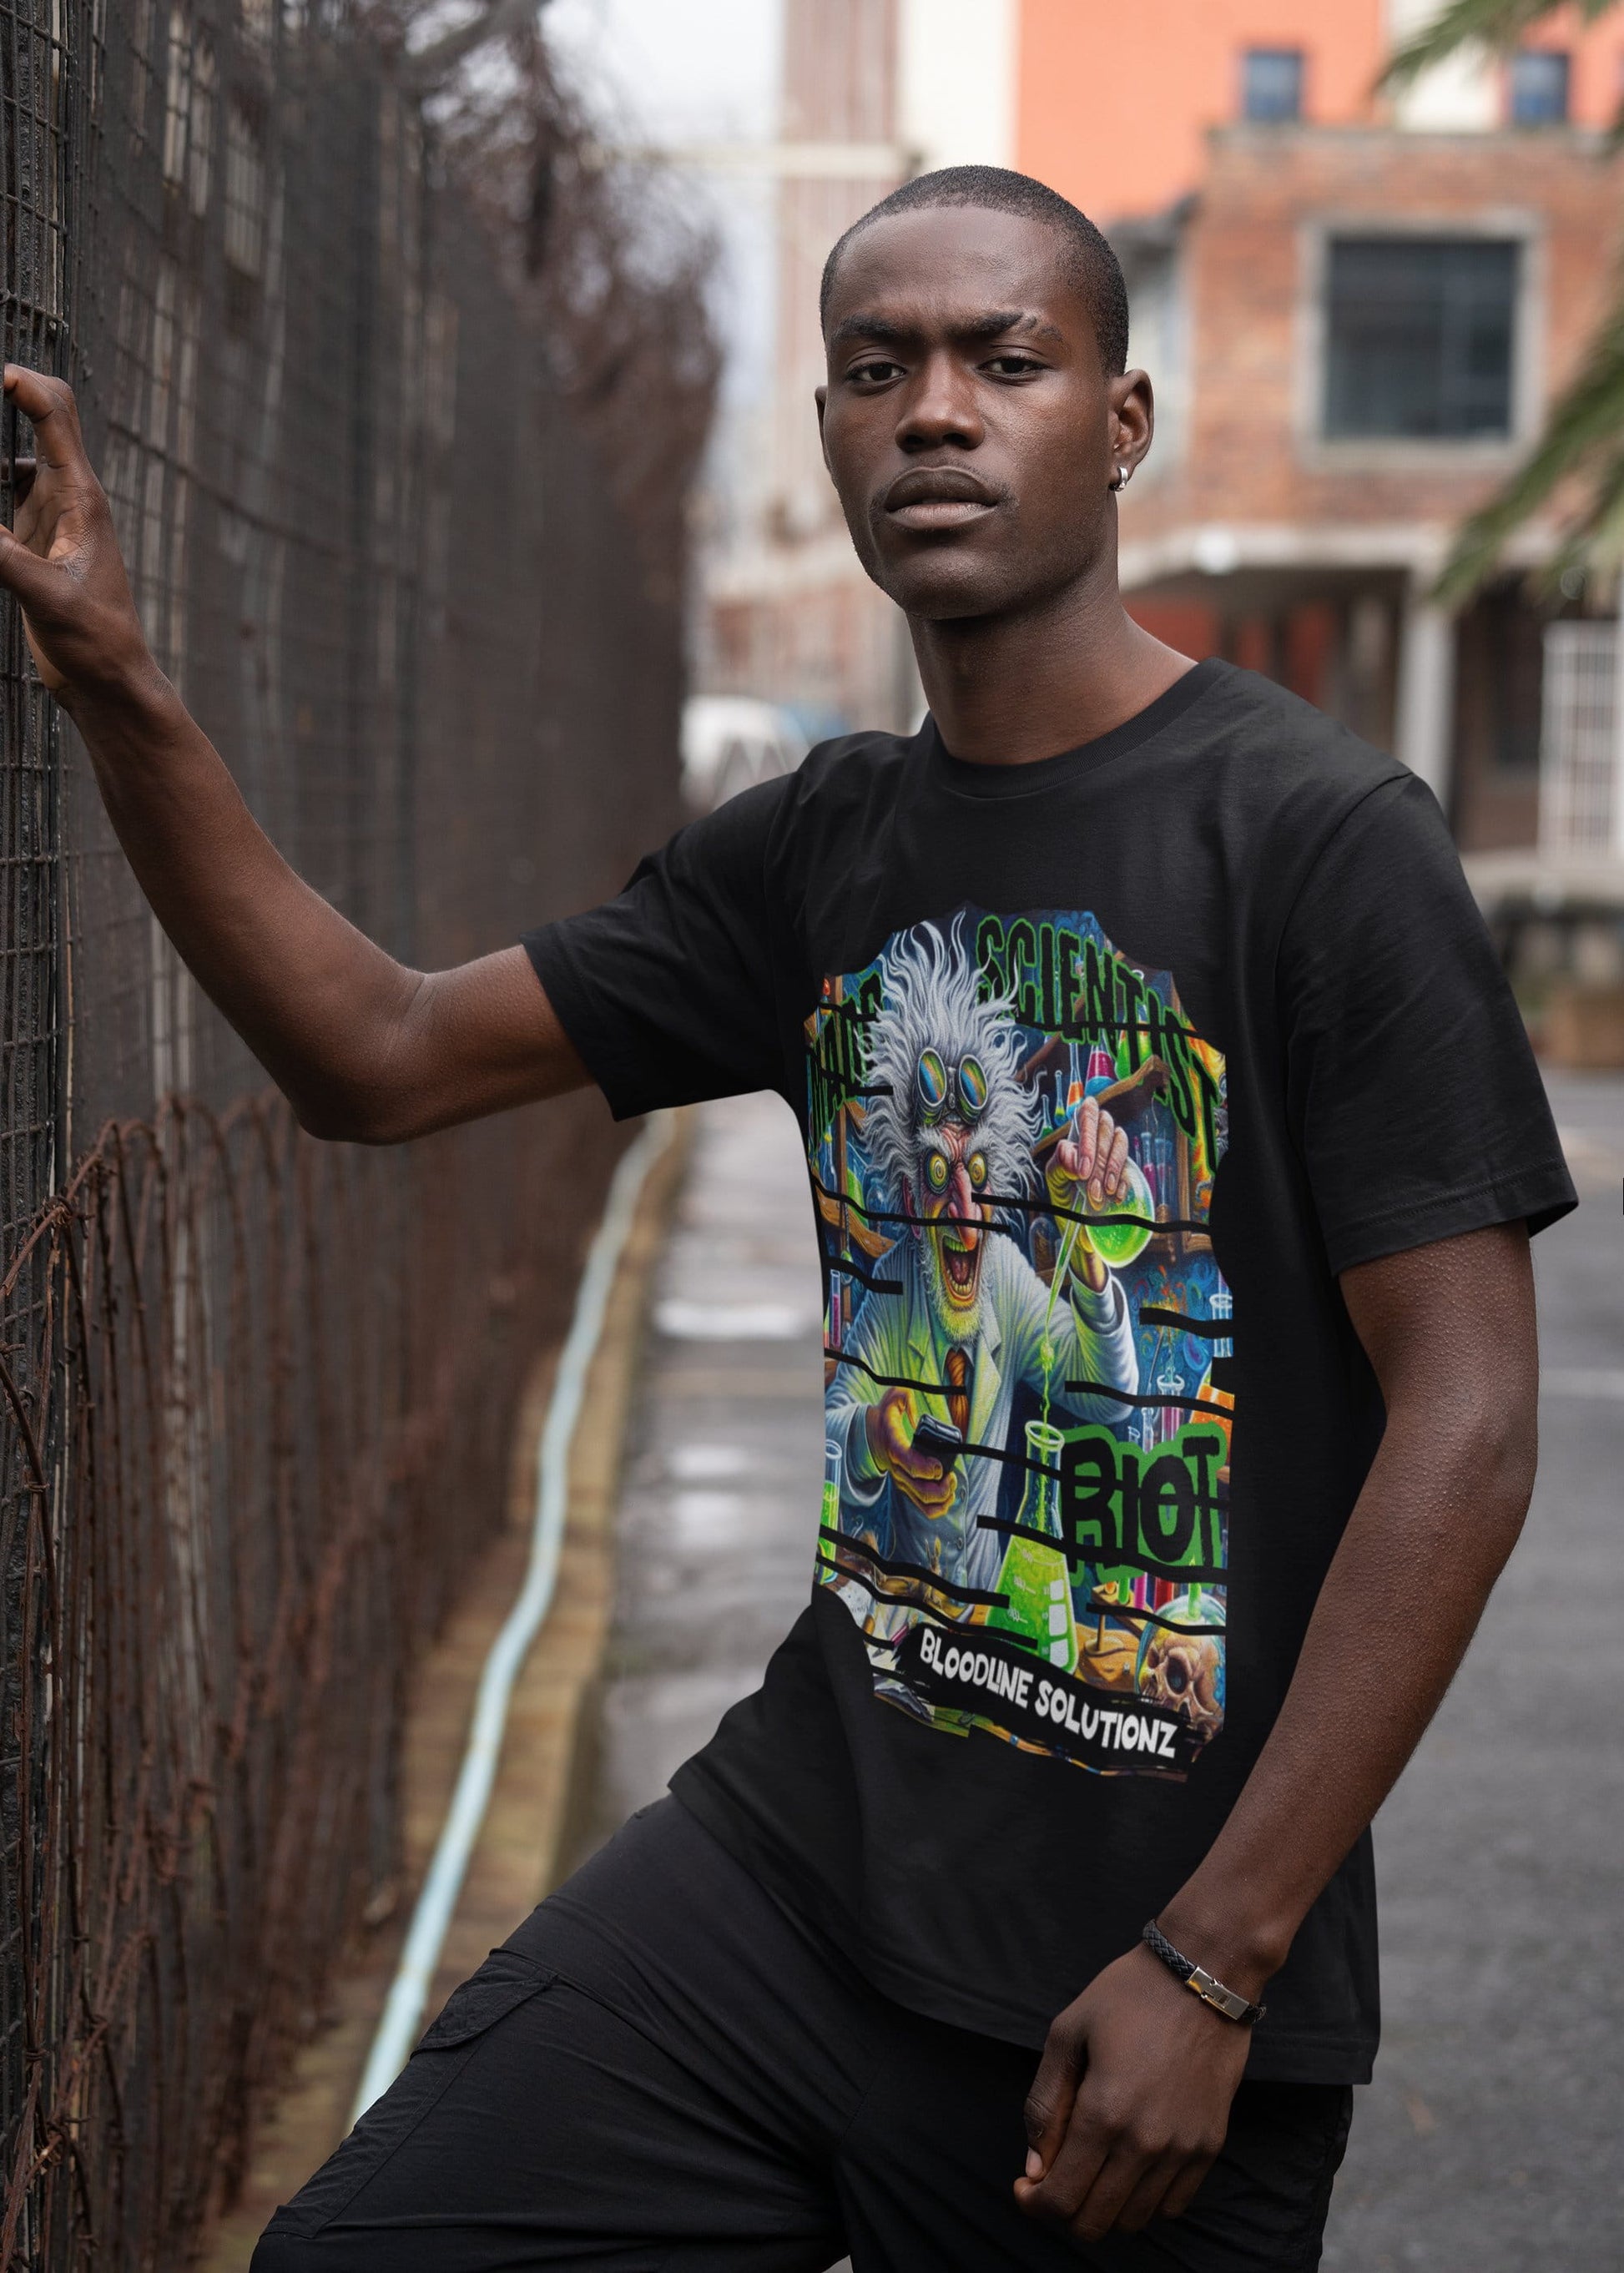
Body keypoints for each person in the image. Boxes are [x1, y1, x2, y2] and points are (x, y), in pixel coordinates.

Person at [0, 165, 1574, 2271]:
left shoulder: (1314, 840)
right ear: (828, 427)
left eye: (1003, 361)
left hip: (1142, 1994)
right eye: (875, 367)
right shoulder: (819, 849)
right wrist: (119, 678)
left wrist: (1213, 1964)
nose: (934, 411)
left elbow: (1463, 1427)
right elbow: (372, 1052)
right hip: (792, 1881)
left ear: (1120, 420)